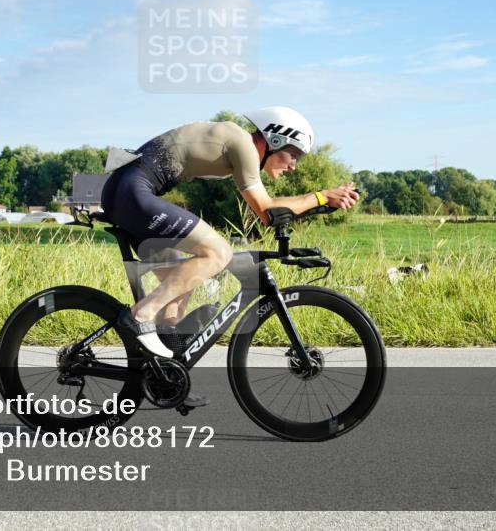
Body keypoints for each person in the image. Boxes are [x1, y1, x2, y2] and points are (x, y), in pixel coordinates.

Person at [100, 106, 360, 361]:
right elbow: (267, 211)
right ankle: (140, 316)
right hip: (132, 193)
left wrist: (322, 202)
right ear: (276, 139)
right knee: (218, 253)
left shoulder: (237, 144)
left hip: (125, 194)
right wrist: (321, 196)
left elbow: (272, 209)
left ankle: (167, 369)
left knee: (181, 281)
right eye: (295, 155)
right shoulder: (242, 144)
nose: (294, 166)